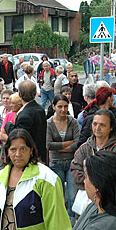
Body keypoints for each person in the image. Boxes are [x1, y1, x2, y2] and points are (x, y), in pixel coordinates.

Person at [47, 94, 80, 222]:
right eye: (60, 106)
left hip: (71, 162)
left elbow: (77, 142)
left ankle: (71, 221)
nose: (63, 110)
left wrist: (59, 147)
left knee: (72, 196)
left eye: (65, 106)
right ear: (54, 107)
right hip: (56, 163)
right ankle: (59, 221)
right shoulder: (49, 123)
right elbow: (49, 145)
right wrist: (68, 143)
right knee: (58, 195)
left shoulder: (73, 122)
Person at [6, 80, 48, 162]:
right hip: (41, 153)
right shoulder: (40, 109)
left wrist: (9, 124)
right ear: (35, 93)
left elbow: (18, 135)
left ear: (19, 94)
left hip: (30, 157)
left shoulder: (24, 115)